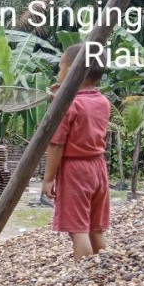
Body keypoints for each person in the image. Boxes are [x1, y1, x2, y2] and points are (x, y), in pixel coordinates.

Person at [43, 43, 111, 260]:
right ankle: (106, 269)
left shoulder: (68, 106)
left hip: (75, 169)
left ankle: (84, 275)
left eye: (61, 68)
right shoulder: (103, 101)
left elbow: (56, 145)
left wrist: (48, 179)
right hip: (98, 167)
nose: (58, 73)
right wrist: (61, 96)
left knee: (78, 230)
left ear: (73, 70)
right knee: (94, 227)